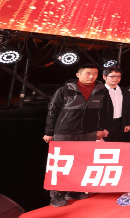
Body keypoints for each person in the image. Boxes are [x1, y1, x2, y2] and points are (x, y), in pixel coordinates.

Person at [43, 63, 112, 207]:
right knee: (60, 163)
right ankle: (56, 194)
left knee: (82, 162)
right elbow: (52, 111)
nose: (91, 76)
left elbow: (106, 111)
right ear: (78, 75)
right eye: (88, 73)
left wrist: (101, 128)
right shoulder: (64, 90)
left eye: (94, 73)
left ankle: (74, 190)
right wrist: (49, 132)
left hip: (89, 132)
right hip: (65, 131)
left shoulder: (102, 90)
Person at [101, 67, 128, 142]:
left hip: (120, 123)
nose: (116, 79)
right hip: (105, 124)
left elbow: (128, 107)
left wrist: (127, 123)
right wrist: (100, 128)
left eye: (118, 76)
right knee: (105, 145)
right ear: (104, 77)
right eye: (112, 76)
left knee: (119, 144)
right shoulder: (100, 90)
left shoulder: (124, 90)